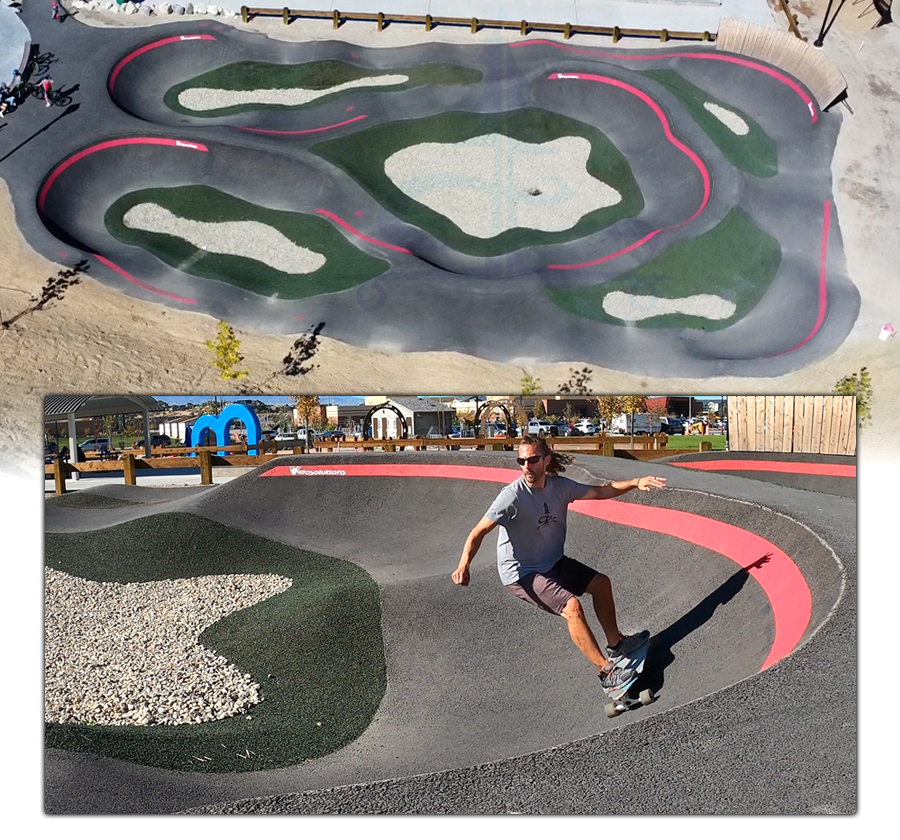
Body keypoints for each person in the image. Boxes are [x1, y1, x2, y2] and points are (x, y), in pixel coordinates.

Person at [452, 435, 667, 693]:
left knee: (601, 584)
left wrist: (635, 482)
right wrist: (464, 564)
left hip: (552, 562)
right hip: (522, 573)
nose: (526, 467)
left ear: (546, 460)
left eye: (532, 460)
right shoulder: (512, 496)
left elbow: (602, 491)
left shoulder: (561, 487)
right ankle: (606, 671)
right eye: (521, 461)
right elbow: (478, 531)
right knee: (572, 607)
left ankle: (616, 644)